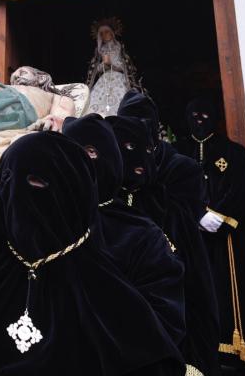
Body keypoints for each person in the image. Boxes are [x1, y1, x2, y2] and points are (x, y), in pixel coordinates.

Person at [0, 131, 184, 375]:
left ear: (73, 192)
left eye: (35, 182)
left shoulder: (110, 297)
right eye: (6, 181)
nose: (15, 194)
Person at [61, 114, 186, 349]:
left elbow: (164, 316)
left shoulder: (141, 232)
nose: (78, 162)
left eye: (91, 152)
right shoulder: (50, 220)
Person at [109, 112, 220, 376]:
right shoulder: (94, 208)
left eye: (147, 150)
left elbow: (195, 286)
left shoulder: (169, 209)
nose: (139, 159)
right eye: (128, 148)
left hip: (168, 338)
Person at [176, 98, 245, 374]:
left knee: (227, 289)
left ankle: (235, 354)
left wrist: (220, 215)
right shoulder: (177, 150)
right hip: (190, 237)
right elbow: (173, 190)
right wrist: (196, 214)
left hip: (226, 238)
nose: (199, 119)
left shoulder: (233, 152)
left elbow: (239, 189)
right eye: (194, 114)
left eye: (205, 113)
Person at [84, 19, 143, 116]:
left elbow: (127, 66)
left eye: (106, 32)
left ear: (112, 33)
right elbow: (95, 69)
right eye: (101, 33)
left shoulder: (120, 47)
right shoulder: (100, 50)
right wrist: (104, 64)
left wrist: (112, 65)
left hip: (119, 78)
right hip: (104, 80)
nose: (104, 35)